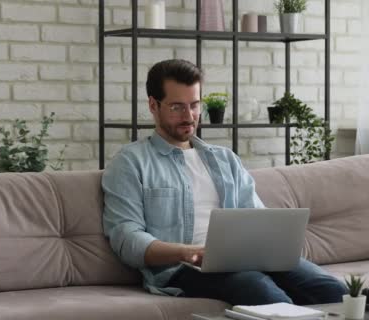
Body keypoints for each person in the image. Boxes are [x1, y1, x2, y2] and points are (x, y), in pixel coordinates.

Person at [102, 59, 347, 305]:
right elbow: (126, 237)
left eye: (195, 105)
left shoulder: (224, 159)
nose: (189, 116)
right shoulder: (130, 162)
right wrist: (187, 252)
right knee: (262, 291)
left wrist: (271, 247)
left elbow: (256, 217)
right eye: (177, 107)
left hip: (246, 258)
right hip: (180, 269)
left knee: (333, 291)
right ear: (153, 105)